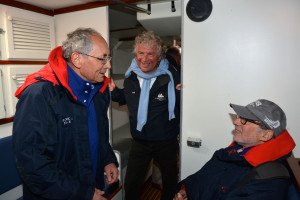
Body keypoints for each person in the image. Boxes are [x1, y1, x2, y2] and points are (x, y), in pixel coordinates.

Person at [13, 28, 119, 200]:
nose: (108, 65)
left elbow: (98, 132)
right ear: (77, 59)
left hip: (93, 185)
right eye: (102, 59)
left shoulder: (100, 90)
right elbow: (31, 163)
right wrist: (83, 193)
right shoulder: (40, 94)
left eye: (108, 58)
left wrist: (108, 159)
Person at [174, 99, 296, 200]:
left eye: (244, 120)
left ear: (265, 135)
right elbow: (205, 178)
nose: (235, 121)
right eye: (240, 116)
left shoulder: (269, 181)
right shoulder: (237, 149)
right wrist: (187, 189)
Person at [109, 31, 181, 200]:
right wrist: (113, 92)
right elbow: (130, 97)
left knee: (170, 183)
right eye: (141, 53)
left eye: (150, 54)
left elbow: (185, 102)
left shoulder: (171, 77)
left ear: (159, 57)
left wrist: (184, 92)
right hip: (140, 142)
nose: (144, 58)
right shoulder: (131, 77)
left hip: (166, 141)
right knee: (131, 184)